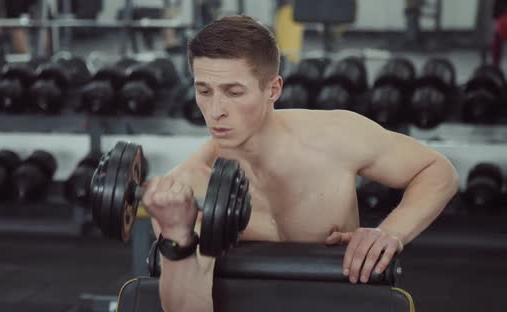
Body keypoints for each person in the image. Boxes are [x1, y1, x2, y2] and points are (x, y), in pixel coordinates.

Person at [141, 15, 459, 312]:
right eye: (204, 91)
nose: (215, 110)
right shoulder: (191, 186)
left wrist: (391, 232)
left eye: (233, 92)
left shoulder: (334, 137)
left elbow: (437, 171)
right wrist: (177, 236)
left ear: (273, 89)